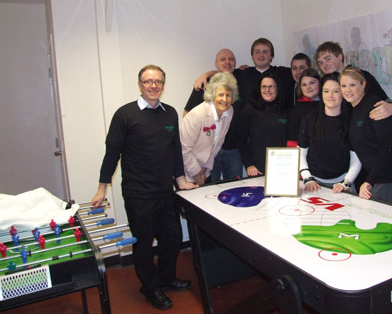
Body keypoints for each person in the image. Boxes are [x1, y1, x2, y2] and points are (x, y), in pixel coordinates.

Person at [91, 65, 197, 311]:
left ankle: (166, 278)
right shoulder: (125, 114)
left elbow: (175, 152)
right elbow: (112, 154)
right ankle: (150, 288)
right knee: (144, 243)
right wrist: (101, 189)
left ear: (163, 84)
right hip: (138, 193)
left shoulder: (170, 113)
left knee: (173, 237)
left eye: (158, 81)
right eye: (148, 81)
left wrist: (180, 181)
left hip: (164, 190)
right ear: (140, 84)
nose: (153, 85)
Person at [339, 67, 392, 208]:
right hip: (381, 177)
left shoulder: (375, 106)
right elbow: (358, 151)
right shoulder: (351, 110)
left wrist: (369, 181)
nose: (347, 90)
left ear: (363, 85)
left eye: (352, 85)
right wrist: (346, 182)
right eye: (343, 86)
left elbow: (387, 148)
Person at [184, 48, 243, 181]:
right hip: (189, 164)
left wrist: (205, 168)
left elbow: (217, 143)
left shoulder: (229, 110)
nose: (224, 99)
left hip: (217, 157)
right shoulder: (198, 111)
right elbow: (184, 148)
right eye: (220, 94)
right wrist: (196, 171)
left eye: (228, 95)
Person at [298, 73, 361, 192]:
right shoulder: (310, 118)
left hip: (342, 183)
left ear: (343, 94)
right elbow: (301, 151)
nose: (330, 96)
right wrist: (307, 178)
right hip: (312, 183)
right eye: (326, 91)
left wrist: (345, 183)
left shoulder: (352, 121)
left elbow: (356, 158)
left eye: (336, 91)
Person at [194, 38, 295, 109]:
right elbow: (225, 72)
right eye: (257, 52)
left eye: (265, 52)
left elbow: (300, 73)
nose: (261, 55)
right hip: (247, 130)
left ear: (272, 56)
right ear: (252, 56)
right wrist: (207, 74)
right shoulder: (242, 73)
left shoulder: (283, 73)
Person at [314, 41, 392, 120]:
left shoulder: (361, 76)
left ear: (340, 56)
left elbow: (385, 102)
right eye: (320, 63)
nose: (324, 65)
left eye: (328, 59)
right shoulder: (324, 84)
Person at [237, 73, 288, 176]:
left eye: (271, 87)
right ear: (259, 89)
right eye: (264, 87)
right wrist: (249, 164)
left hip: (281, 167)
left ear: (278, 88)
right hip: (256, 169)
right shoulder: (250, 108)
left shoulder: (285, 108)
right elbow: (240, 139)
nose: (267, 90)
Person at [287, 68, 320, 147]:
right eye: (304, 85)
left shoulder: (328, 104)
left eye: (312, 83)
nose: (308, 87)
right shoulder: (297, 109)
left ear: (320, 82)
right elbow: (292, 138)